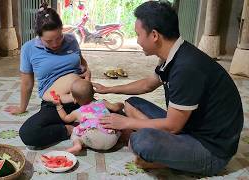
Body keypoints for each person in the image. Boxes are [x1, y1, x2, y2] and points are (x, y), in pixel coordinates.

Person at [93, 1, 243, 176]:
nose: (137, 40)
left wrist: (126, 123)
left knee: (141, 141)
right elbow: (148, 84)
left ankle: (160, 157)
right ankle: (166, 149)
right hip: (189, 126)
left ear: (154, 35)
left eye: (138, 34)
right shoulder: (173, 54)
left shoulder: (186, 67)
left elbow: (173, 127)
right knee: (131, 104)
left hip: (211, 150)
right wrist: (109, 89)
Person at [5, 2, 91, 149]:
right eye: (49, 41)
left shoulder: (71, 40)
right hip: (55, 104)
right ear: (38, 36)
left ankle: (77, 123)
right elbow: (27, 83)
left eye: (59, 37)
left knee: (114, 116)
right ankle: (68, 129)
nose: (56, 43)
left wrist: (87, 71)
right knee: (28, 133)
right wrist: (22, 107)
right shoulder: (29, 49)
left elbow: (82, 63)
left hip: (82, 98)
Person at [52, 79, 124, 155]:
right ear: (93, 93)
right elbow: (116, 108)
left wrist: (58, 105)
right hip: (112, 140)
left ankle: (77, 145)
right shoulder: (102, 102)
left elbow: (65, 118)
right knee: (117, 121)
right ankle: (124, 137)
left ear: (74, 100)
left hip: (93, 138)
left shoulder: (77, 112)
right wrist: (121, 104)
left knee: (76, 132)